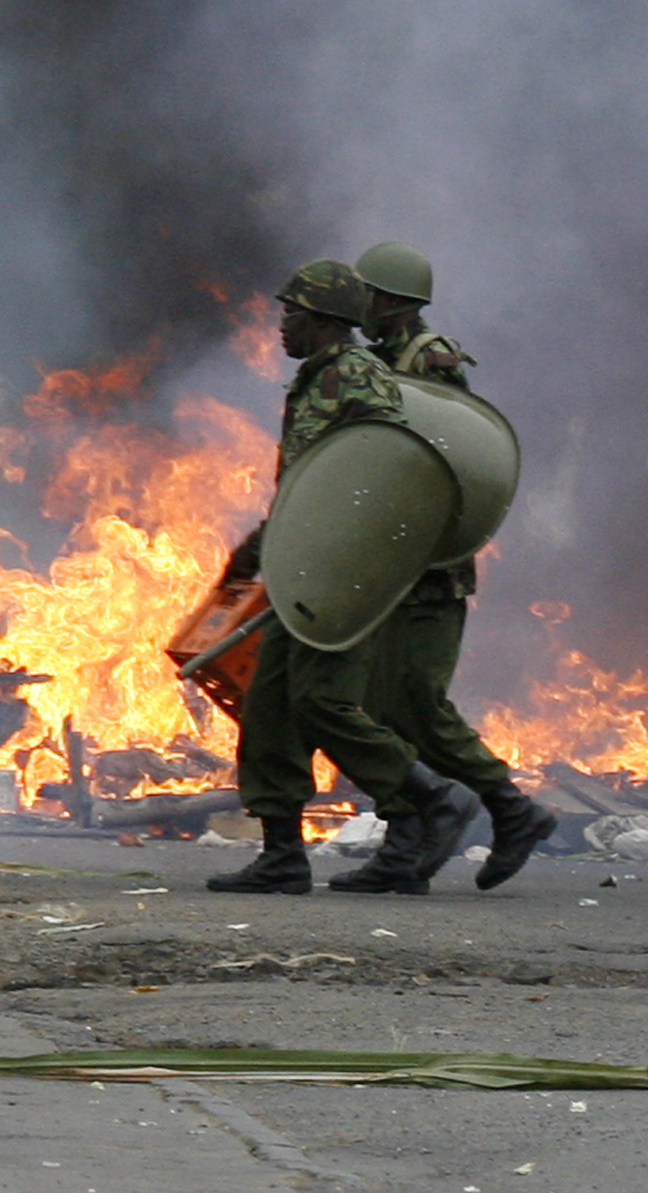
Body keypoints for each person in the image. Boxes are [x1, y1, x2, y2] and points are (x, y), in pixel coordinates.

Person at [207, 260, 479, 895]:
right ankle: (281, 855)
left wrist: (354, 555)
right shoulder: (314, 379)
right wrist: (257, 550)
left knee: (320, 701)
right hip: (301, 567)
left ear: (325, 320)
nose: (281, 326)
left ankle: (428, 797)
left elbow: (390, 464)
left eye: (291, 314)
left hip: (341, 574)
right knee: (270, 704)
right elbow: (306, 488)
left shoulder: (358, 377)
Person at [324, 241, 556, 895]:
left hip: (429, 571)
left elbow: (450, 456)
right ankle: (404, 848)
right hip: (392, 562)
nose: (360, 306)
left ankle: (514, 811)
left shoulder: (431, 362)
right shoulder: (379, 360)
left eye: (368, 294)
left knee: (419, 705)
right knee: (382, 709)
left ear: (392, 300)